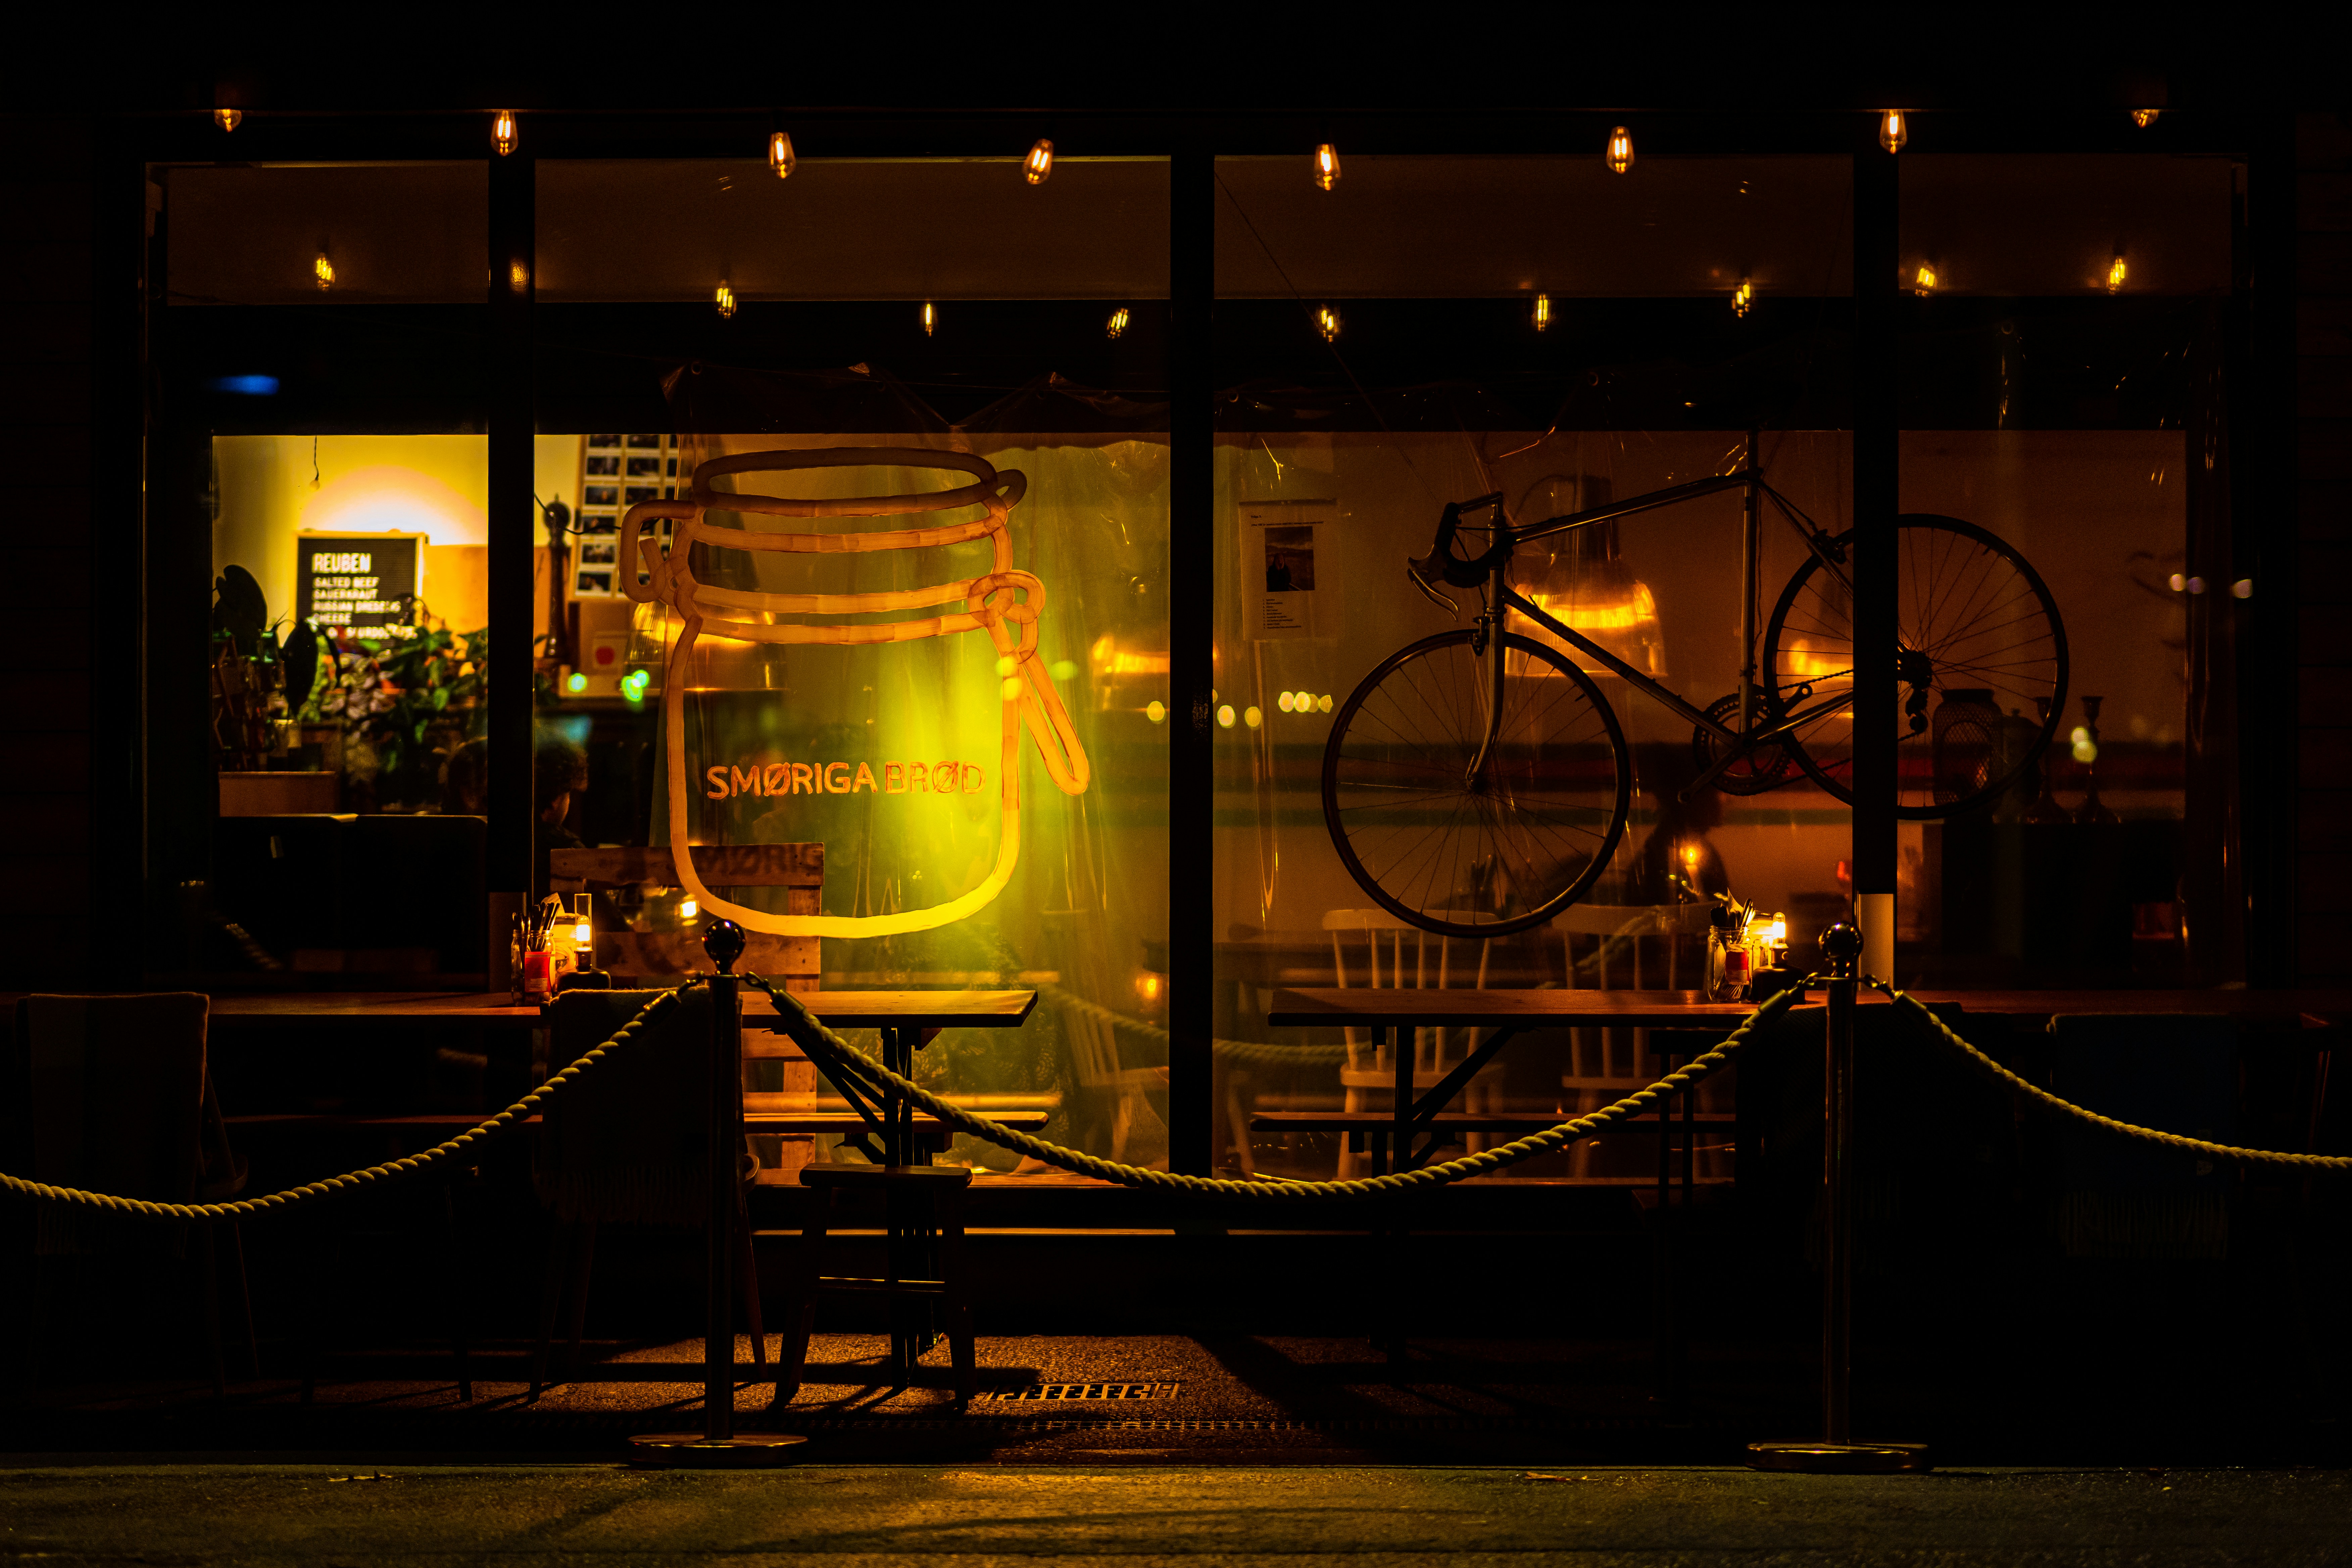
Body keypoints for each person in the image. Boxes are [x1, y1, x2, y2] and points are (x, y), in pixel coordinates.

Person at [533, 741, 588, 901]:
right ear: (557, 799)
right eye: (569, 794)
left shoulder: (493, 836)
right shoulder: (564, 846)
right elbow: (607, 916)